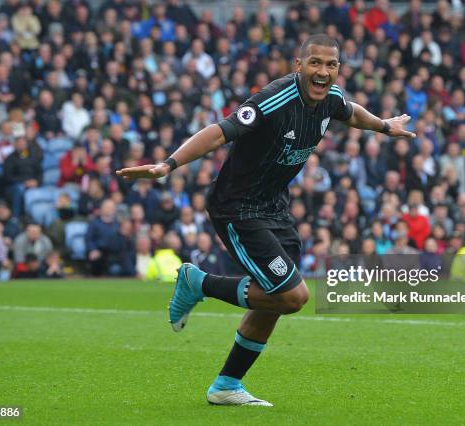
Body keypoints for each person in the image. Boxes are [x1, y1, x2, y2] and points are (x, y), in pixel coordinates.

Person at [117, 34, 414, 406]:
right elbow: (219, 133)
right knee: (292, 296)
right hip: (237, 208)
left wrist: (384, 126)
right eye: (315, 63)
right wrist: (168, 164)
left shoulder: (331, 100)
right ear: (299, 65)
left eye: (331, 65)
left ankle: (226, 385)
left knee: (272, 301)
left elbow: (352, 112)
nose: (323, 72)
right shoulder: (274, 100)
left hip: (274, 207)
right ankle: (199, 283)